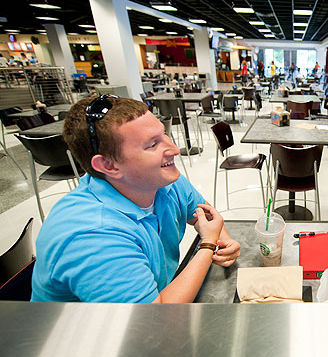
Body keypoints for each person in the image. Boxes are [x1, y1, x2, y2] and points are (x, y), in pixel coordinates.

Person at [31, 96, 241, 303]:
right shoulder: (93, 237)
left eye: (165, 135)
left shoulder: (162, 181)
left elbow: (203, 216)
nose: (174, 149)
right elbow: (152, 320)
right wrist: (208, 245)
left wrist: (225, 242)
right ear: (109, 166)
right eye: (152, 145)